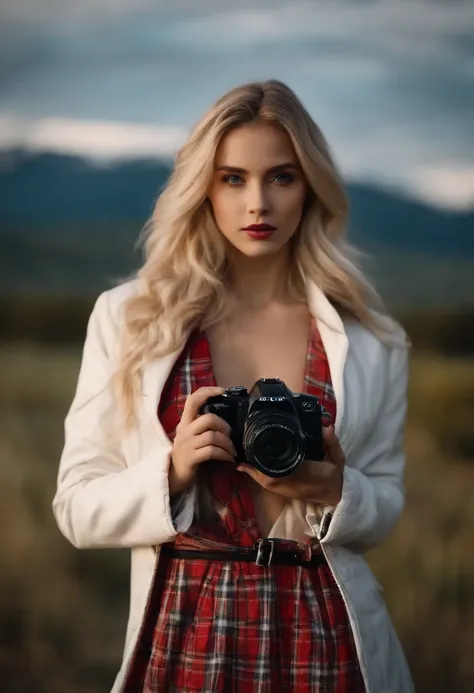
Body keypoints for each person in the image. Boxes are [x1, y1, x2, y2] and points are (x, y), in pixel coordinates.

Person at [53, 79, 415, 693]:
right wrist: (171, 473)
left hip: (325, 630)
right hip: (187, 628)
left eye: (281, 177)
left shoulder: (373, 340)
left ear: (310, 187)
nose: (258, 204)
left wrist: (337, 491)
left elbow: (384, 504)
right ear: (204, 188)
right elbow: (75, 508)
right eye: (232, 178)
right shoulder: (128, 319)